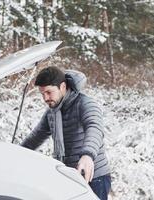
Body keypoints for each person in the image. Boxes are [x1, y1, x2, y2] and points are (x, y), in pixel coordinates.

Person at [21, 66, 111, 200]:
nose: (45, 98)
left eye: (49, 92)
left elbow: (95, 127)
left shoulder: (85, 103)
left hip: (94, 176)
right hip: (70, 176)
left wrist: (87, 155)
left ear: (62, 87)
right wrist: (16, 153)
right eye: (42, 94)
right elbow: (35, 137)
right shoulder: (52, 112)